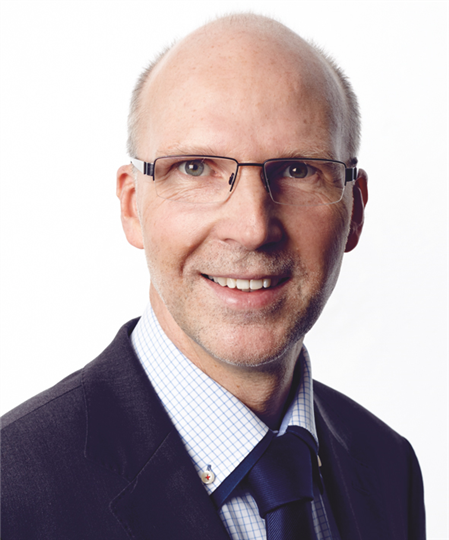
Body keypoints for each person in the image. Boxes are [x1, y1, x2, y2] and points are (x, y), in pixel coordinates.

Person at [0, 13, 425, 540]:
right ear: (132, 207)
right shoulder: (12, 493)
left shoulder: (387, 465)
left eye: (298, 170)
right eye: (196, 168)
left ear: (354, 211)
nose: (252, 229)